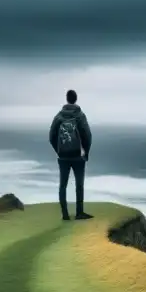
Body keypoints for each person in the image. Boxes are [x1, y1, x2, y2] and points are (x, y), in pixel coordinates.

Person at [49, 89, 93, 221]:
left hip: (63, 157)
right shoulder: (80, 115)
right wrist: (86, 152)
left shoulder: (59, 116)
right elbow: (88, 135)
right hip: (78, 156)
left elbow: (51, 136)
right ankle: (79, 213)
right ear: (76, 99)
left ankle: (65, 214)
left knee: (63, 185)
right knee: (79, 184)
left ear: (67, 99)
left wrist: (59, 151)